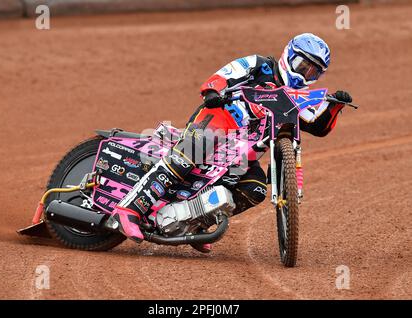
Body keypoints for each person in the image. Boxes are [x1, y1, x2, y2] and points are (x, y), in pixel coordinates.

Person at [111, 33, 353, 252]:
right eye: (303, 65)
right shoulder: (261, 65)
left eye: (313, 72)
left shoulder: (297, 98)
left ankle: (193, 224)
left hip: (240, 153)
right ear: (289, 56)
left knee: (255, 188)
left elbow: (316, 127)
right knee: (190, 154)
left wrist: (334, 107)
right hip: (217, 122)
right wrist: (213, 90)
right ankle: (129, 208)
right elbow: (227, 73)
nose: (305, 74)